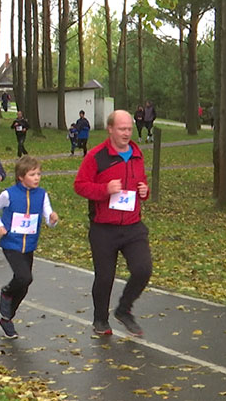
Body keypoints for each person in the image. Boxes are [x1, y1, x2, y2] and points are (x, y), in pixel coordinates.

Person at [74, 110, 152, 337]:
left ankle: (124, 309)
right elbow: (80, 185)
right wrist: (104, 190)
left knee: (142, 269)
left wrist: (144, 191)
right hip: (103, 227)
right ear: (110, 129)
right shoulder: (96, 156)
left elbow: (142, 182)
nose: (127, 133)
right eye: (122, 129)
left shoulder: (137, 153)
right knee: (105, 276)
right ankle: (100, 320)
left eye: (129, 128)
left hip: (132, 225)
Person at [0, 155, 59, 339]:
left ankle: (7, 318)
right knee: (23, 276)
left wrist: (52, 219)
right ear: (21, 176)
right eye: (32, 174)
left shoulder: (42, 195)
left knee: (25, 283)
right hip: (11, 242)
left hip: (29, 245)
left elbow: (48, 217)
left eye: (39, 174)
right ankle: (5, 293)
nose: (37, 177)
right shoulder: (9, 194)